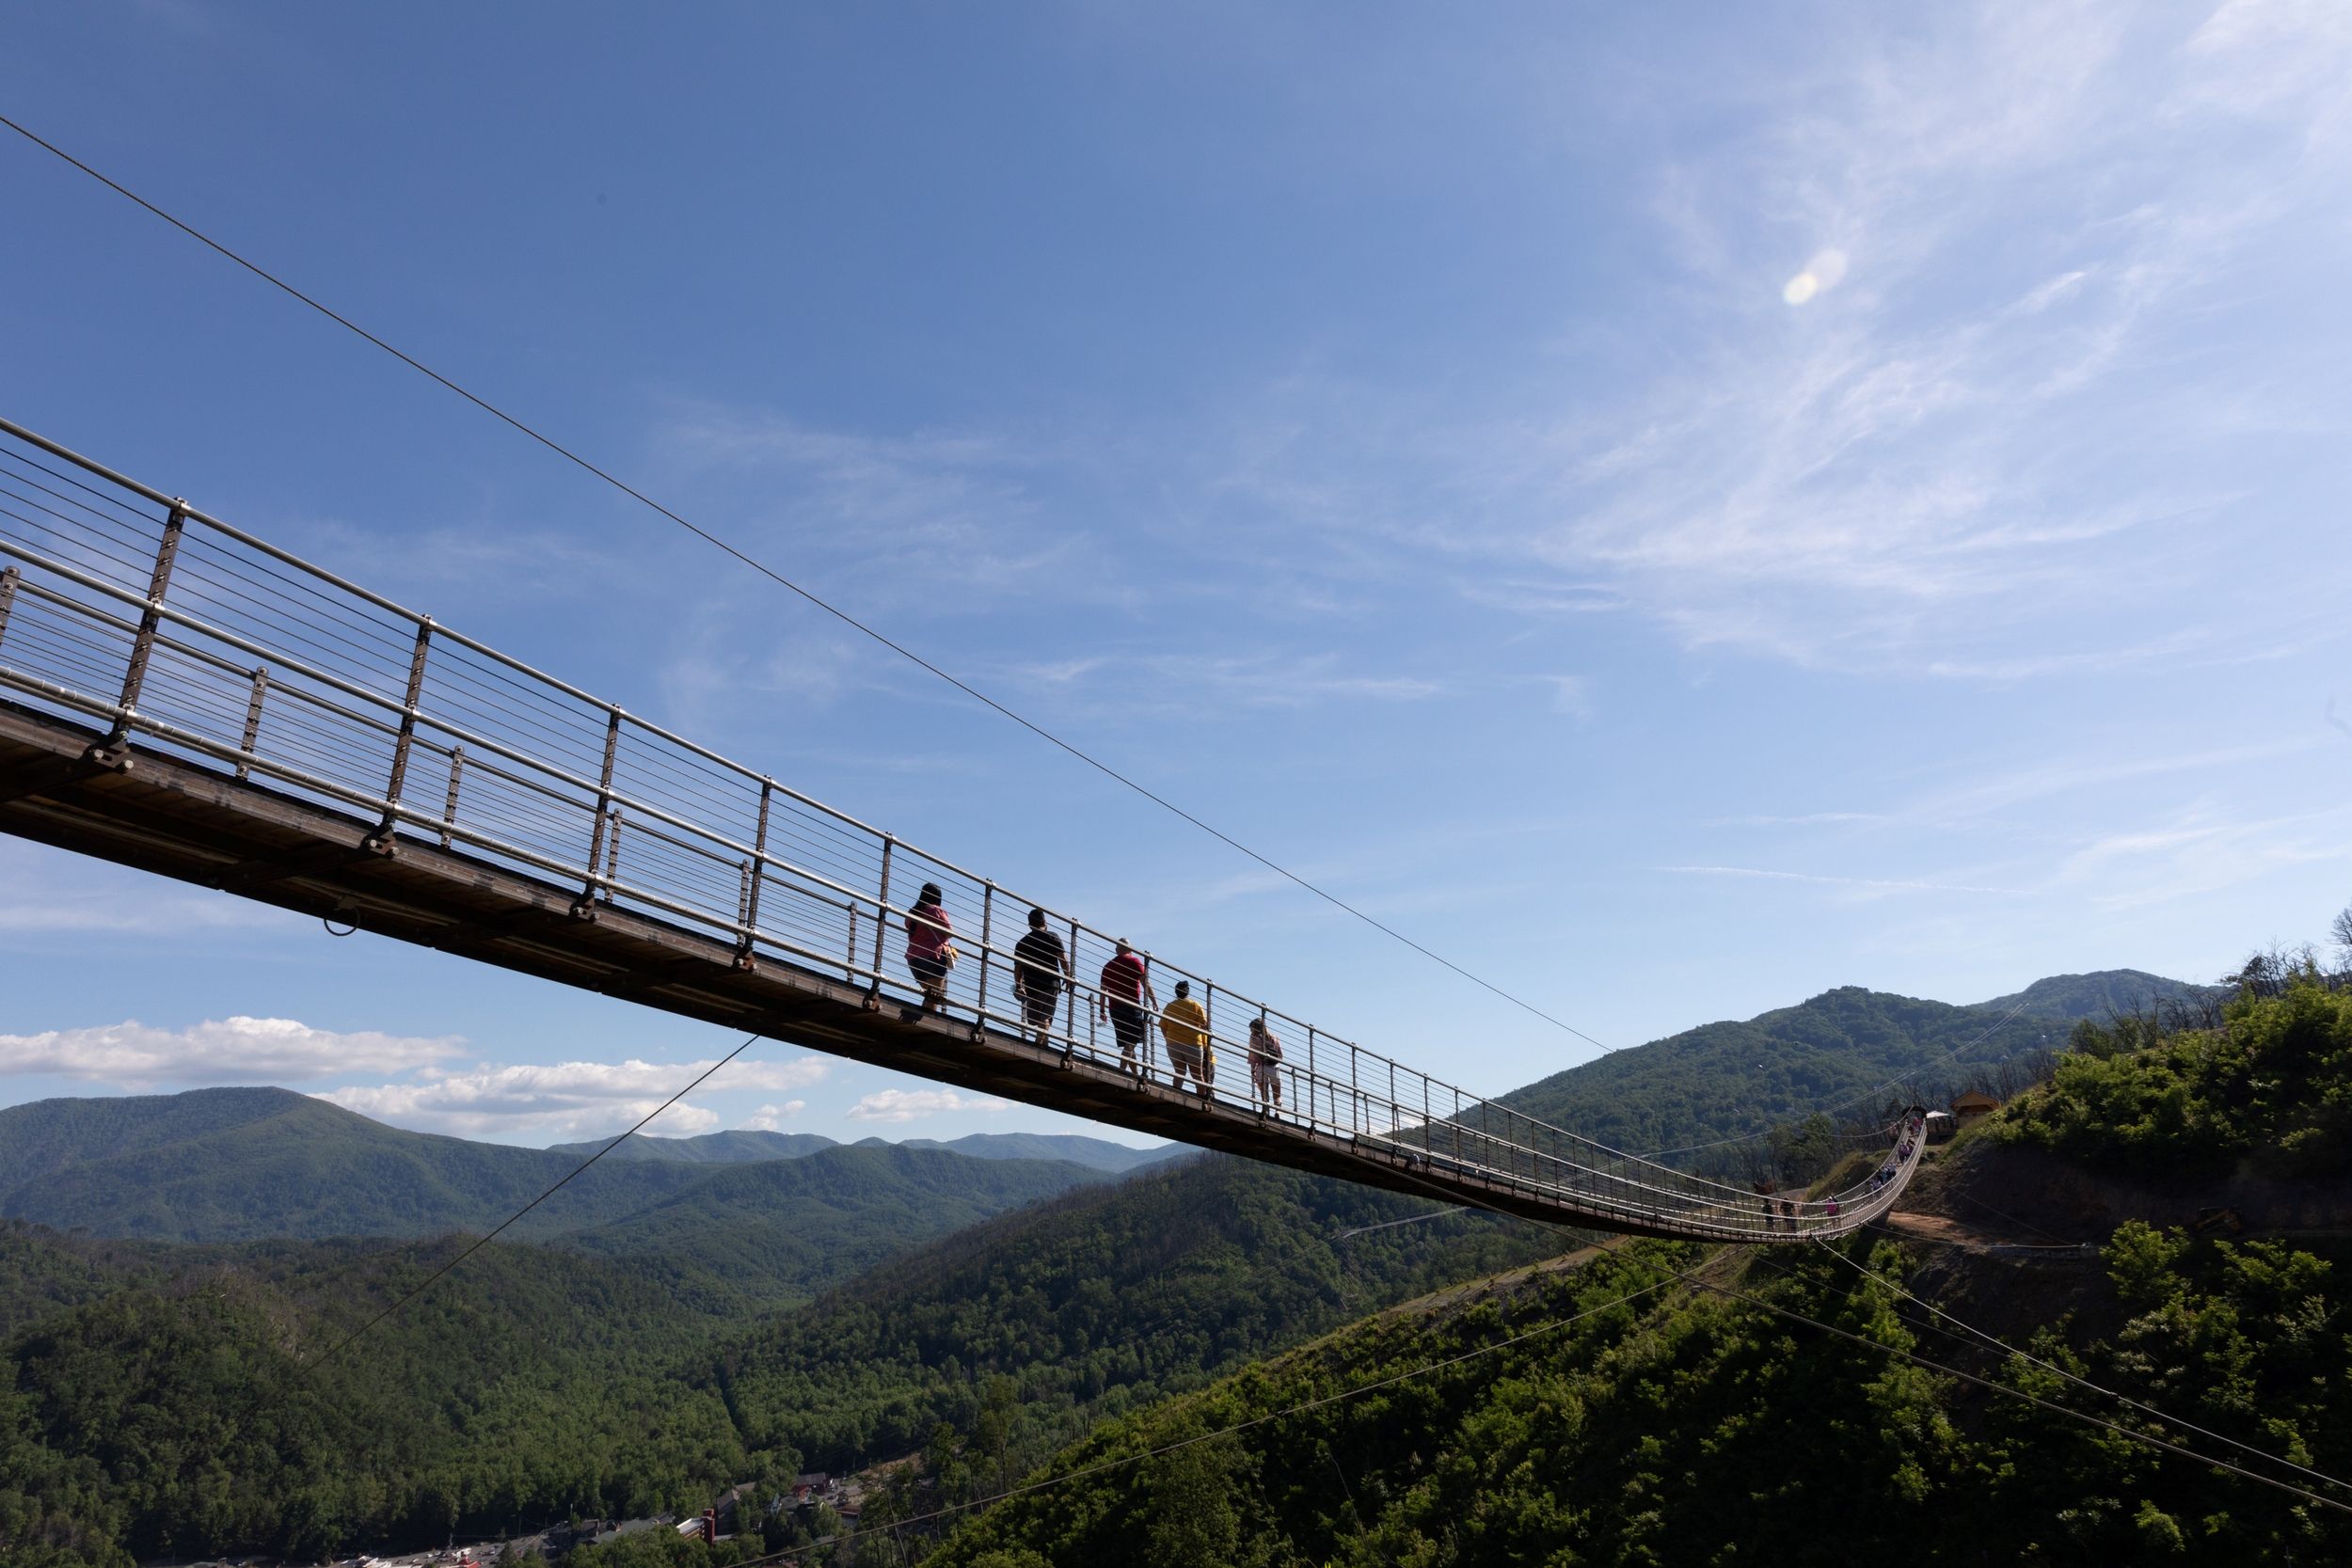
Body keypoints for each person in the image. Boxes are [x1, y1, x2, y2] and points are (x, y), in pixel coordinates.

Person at [1098, 938, 1158, 1079]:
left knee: (1128, 1043)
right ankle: (1121, 1073)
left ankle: (1135, 1075)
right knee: (1131, 1043)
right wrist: (1154, 1001)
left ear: (1117, 949)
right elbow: (1146, 983)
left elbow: (1103, 991)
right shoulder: (1135, 962)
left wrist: (1102, 1010)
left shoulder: (1108, 966)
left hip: (1114, 1009)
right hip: (1131, 1007)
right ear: (1130, 949)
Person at [1012, 907, 1071, 1048]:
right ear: (1045, 921)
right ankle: (1037, 1047)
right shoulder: (1052, 936)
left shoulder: (1022, 943)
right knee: (1045, 1019)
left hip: (1031, 986)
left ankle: (1044, 1049)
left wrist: (1019, 986)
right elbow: (1062, 958)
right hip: (1050, 984)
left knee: (1036, 1022)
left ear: (1029, 924)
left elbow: (1018, 968)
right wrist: (1067, 976)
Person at [902, 882, 954, 1018]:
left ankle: (922, 1018)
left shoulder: (913, 912)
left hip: (913, 958)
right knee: (935, 994)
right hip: (933, 955)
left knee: (929, 994)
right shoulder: (935, 910)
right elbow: (949, 931)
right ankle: (927, 1021)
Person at [1160, 980, 1212, 1095]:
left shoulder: (1169, 1006)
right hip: (1192, 1042)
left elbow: (1163, 1026)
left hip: (1173, 1043)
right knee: (1197, 1075)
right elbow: (1204, 1026)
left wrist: (1168, 1038)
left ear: (1176, 992)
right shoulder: (1195, 1005)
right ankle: (1203, 1100)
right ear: (1188, 992)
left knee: (1179, 1073)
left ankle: (1175, 1097)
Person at [1248, 1017, 1283, 1110]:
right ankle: (1278, 1113)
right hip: (1274, 1068)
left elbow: (1253, 1058)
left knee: (1264, 1096)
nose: (1251, 1032)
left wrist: (1252, 1072)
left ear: (1255, 1028)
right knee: (1277, 1096)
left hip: (1261, 1068)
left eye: (1251, 1029)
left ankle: (1266, 1112)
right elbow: (1280, 1056)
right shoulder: (1274, 1038)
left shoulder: (1254, 1039)